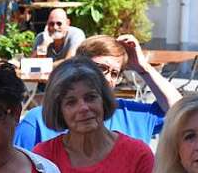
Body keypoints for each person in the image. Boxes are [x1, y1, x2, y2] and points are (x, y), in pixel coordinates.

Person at [15, 34, 184, 149]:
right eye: (101, 68)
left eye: (114, 73)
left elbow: (181, 110)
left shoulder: (132, 114)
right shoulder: (39, 121)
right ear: (78, 66)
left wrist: (143, 68)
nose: (107, 78)